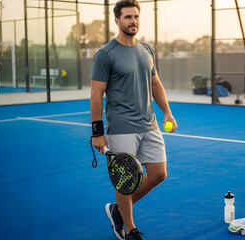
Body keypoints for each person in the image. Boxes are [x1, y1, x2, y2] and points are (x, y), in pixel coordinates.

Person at [90, 1, 177, 239]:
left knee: (159, 174)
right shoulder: (105, 54)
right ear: (117, 21)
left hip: (149, 124)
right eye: (128, 17)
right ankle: (130, 228)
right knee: (124, 180)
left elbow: (155, 83)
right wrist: (97, 132)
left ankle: (117, 210)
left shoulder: (146, 50)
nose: (133, 21)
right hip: (121, 128)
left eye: (136, 16)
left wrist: (167, 112)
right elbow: (96, 94)